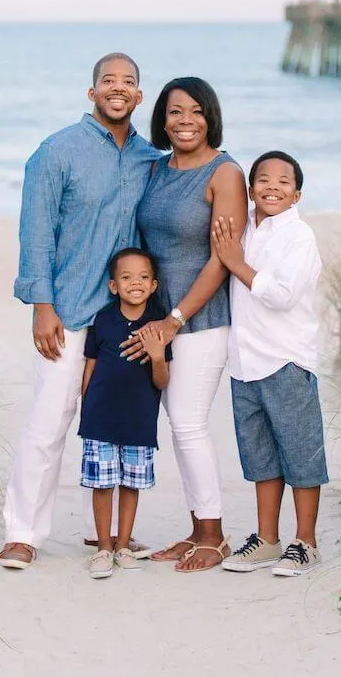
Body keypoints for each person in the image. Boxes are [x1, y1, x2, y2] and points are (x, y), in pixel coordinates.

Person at [0, 53, 161, 570]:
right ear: (92, 93)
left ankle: (107, 535)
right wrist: (41, 305)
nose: (118, 88)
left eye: (128, 82)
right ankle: (22, 532)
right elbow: (36, 233)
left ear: (139, 95)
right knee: (49, 423)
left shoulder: (150, 160)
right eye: (108, 81)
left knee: (115, 425)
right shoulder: (56, 151)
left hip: (124, 317)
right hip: (67, 311)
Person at [126, 77, 248, 573]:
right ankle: (198, 528)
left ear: (210, 116)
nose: (184, 121)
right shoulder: (157, 169)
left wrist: (176, 318)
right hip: (159, 319)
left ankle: (214, 534)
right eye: (175, 112)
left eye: (195, 111)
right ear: (162, 119)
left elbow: (222, 260)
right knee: (179, 426)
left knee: (189, 422)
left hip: (201, 319)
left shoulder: (226, 174)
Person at [212, 150, 328, 576]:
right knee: (260, 456)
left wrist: (236, 264)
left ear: (296, 195)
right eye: (263, 179)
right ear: (249, 189)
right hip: (244, 361)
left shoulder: (299, 237)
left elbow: (281, 295)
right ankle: (266, 540)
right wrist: (233, 255)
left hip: (286, 359)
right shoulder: (245, 231)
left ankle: (306, 543)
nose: (272, 187)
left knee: (300, 453)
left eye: (283, 182)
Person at [78, 248, 172, 579]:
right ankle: (103, 548)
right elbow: (90, 365)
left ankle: (122, 545)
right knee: (102, 484)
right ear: (114, 286)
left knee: (130, 485)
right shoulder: (103, 320)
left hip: (139, 420)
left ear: (154, 284)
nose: (136, 283)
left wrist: (157, 356)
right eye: (127, 277)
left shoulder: (159, 324)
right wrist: (85, 406)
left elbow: (162, 381)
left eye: (144, 277)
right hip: (99, 418)